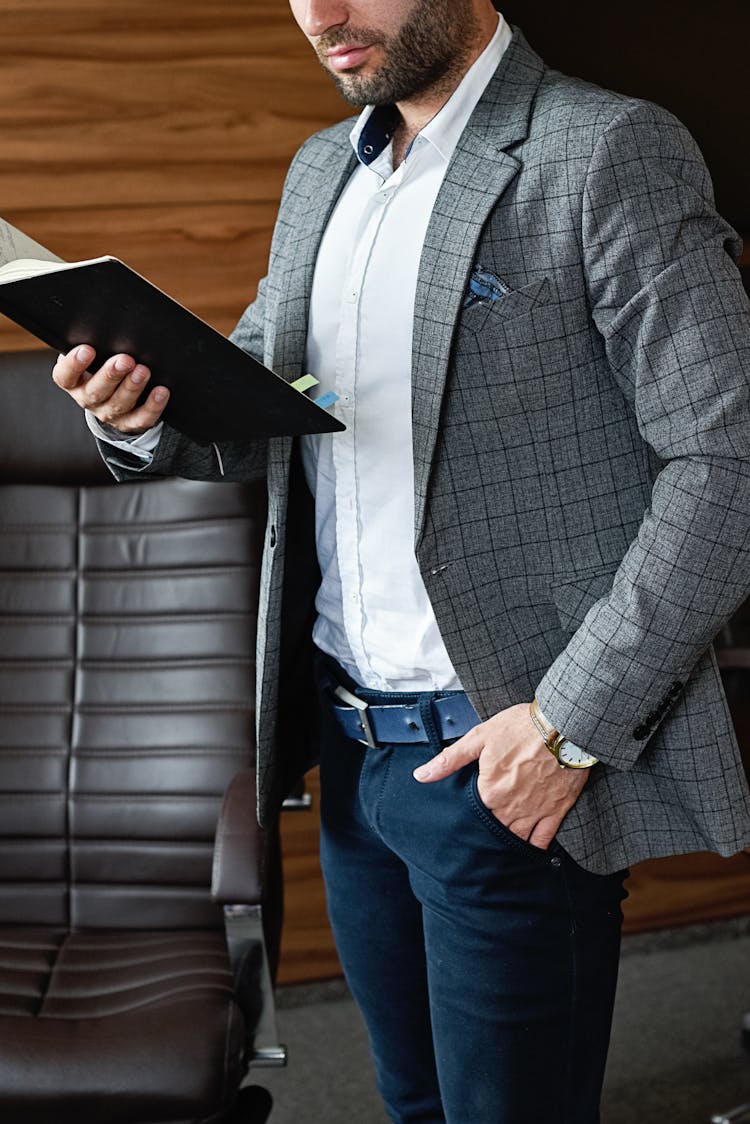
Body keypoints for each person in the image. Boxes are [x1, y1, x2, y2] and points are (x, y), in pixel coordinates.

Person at [51, 1, 750, 1120]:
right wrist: (133, 411)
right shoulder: (324, 166)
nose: (320, 16)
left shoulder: (606, 148)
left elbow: (727, 461)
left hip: (506, 755)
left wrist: (566, 724)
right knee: (412, 1102)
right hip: (351, 755)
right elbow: (253, 408)